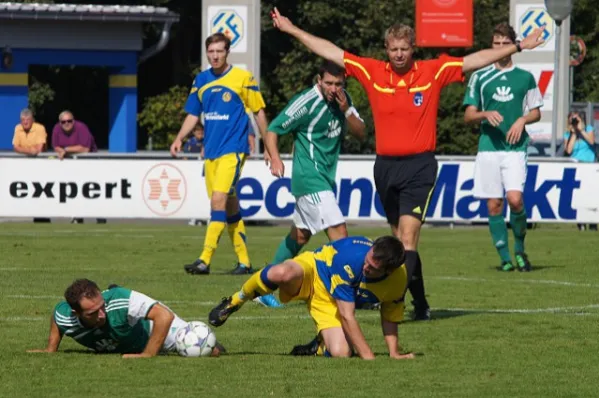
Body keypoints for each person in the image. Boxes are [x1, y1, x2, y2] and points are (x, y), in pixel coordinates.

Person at [270, 7, 545, 320]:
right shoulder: (373, 71)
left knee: (408, 238)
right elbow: (328, 50)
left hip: (420, 166)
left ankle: (392, 303)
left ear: (413, 48)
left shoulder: (432, 71)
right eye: (394, 49)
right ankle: (421, 304)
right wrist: (291, 29)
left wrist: (519, 46)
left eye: (405, 49)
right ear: (386, 50)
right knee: (399, 243)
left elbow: (474, 59)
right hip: (385, 167)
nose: (399, 55)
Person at [261, 60, 366, 308]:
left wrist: (347, 110)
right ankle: (350, 292)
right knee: (339, 234)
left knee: (299, 236)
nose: (333, 88)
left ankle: (265, 286)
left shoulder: (344, 100)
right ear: (319, 81)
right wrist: (275, 157)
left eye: (338, 84)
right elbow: (274, 129)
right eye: (328, 83)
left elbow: (361, 132)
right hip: (310, 179)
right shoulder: (306, 102)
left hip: (324, 180)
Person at [208, 236, 414, 360]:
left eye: (373, 268)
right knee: (282, 273)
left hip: (327, 299)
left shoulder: (398, 281)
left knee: (341, 353)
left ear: (390, 270)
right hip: (313, 271)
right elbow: (347, 315)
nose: (366, 267)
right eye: (367, 260)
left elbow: (390, 313)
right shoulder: (350, 259)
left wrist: (393, 352)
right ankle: (235, 300)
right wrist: (369, 357)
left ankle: (319, 345)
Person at [170, 32, 269, 275]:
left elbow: (258, 111)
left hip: (233, 150)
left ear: (227, 52)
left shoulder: (242, 78)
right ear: (207, 53)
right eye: (211, 52)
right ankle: (244, 262)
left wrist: (269, 146)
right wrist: (179, 137)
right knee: (230, 205)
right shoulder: (201, 80)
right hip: (211, 152)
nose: (215, 56)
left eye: (219, 51)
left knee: (218, 201)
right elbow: (194, 114)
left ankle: (204, 259)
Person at [463, 23, 543, 272]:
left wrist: (521, 119)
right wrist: (485, 114)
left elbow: (536, 113)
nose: (499, 48)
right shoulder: (480, 76)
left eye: (504, 43)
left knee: (515, 200)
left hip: (515, 148)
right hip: (488, 148)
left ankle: (519, 249)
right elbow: (468, 116)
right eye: (495, 43)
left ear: (513, 44)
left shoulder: (525, 77)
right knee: (494, 205)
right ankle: (505, 258)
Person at [27, 279, 225, 357]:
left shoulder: (118, 301)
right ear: (76, 313)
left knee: (209, 351)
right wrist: (51, 348)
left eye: (102, 307)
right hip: (127, 338)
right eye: (93, 313)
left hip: (153, 330)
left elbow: (164, 316)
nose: (101, 314)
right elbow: (56, 317)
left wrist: (147, 355)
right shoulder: (65, 315)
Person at [564, 111, 597, 231]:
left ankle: (593, 222)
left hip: (589, 165)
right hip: (576, 166)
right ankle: (581, 222)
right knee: (578, 195)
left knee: (590, 194)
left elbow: (591, 141)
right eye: (572, 119)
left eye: (576, 118)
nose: (574, 121)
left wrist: (581, 130)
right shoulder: (568, 134)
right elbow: (568, 151)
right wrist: (573, 133)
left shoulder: (588, 128)